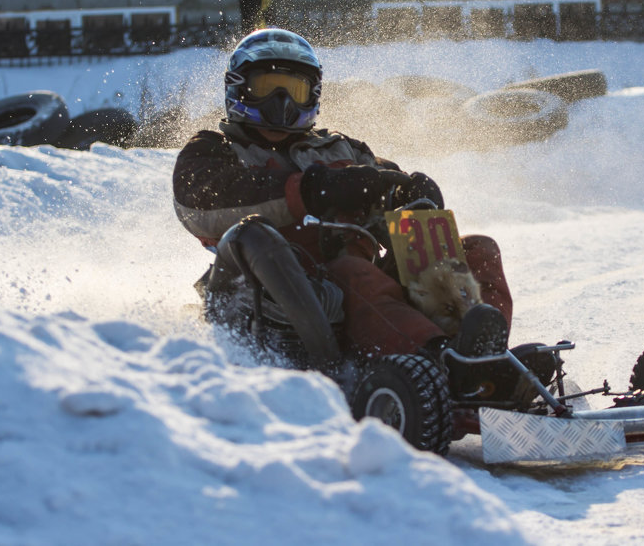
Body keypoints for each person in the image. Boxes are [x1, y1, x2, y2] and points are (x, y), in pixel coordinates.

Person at [172, 28, 514, 376]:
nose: (281, 101)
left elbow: (383, 182)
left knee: (478, 250)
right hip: (268, 300)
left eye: (294, 90)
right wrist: (313, 190)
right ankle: (441, 360)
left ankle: (487, 356)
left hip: (354, 290)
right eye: (266, 88)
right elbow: (200, 204)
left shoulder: (342, 149)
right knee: (353, 273)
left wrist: (410, 196)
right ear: (238, 87)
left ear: (313, 95)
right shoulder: (212, 150)